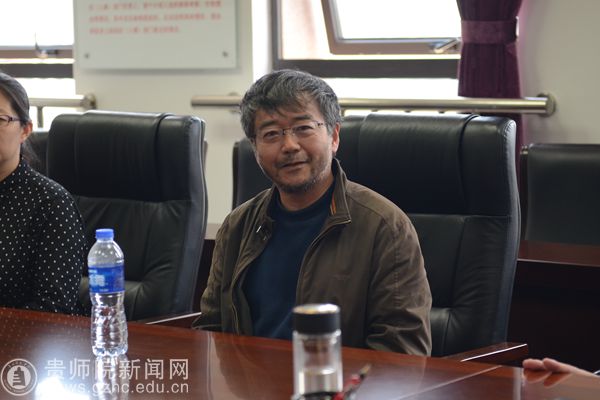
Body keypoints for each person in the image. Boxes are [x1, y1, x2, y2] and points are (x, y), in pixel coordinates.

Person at [194, 69, 432, 354]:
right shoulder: (238, 226)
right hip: (246, 379)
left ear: (334, 136)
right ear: (255, 148)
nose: (289, 146)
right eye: (271, 134)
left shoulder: (385, 227)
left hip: (336, 380)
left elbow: (402, 353)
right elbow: (210, 332)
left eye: (303, 128)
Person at [0, 71, 85, 314]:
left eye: (0, 119)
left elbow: (53, 307)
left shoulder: (51, 204)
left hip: (32, 336)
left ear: (25, 130)